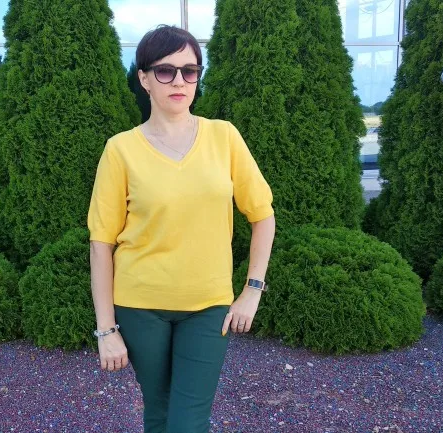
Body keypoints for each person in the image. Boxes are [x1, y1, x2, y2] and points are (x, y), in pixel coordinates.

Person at [87, 25, 275, 433]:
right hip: (139, 306)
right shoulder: (120, 149)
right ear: (144, 78)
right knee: (158, 412)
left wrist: (252, 290)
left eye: (189, 71)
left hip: (208, 307)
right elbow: (101, 243)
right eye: (165, 71)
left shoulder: (224, 137)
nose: (179, 81)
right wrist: (106, 329)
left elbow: (263, 215)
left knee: (188, 421)